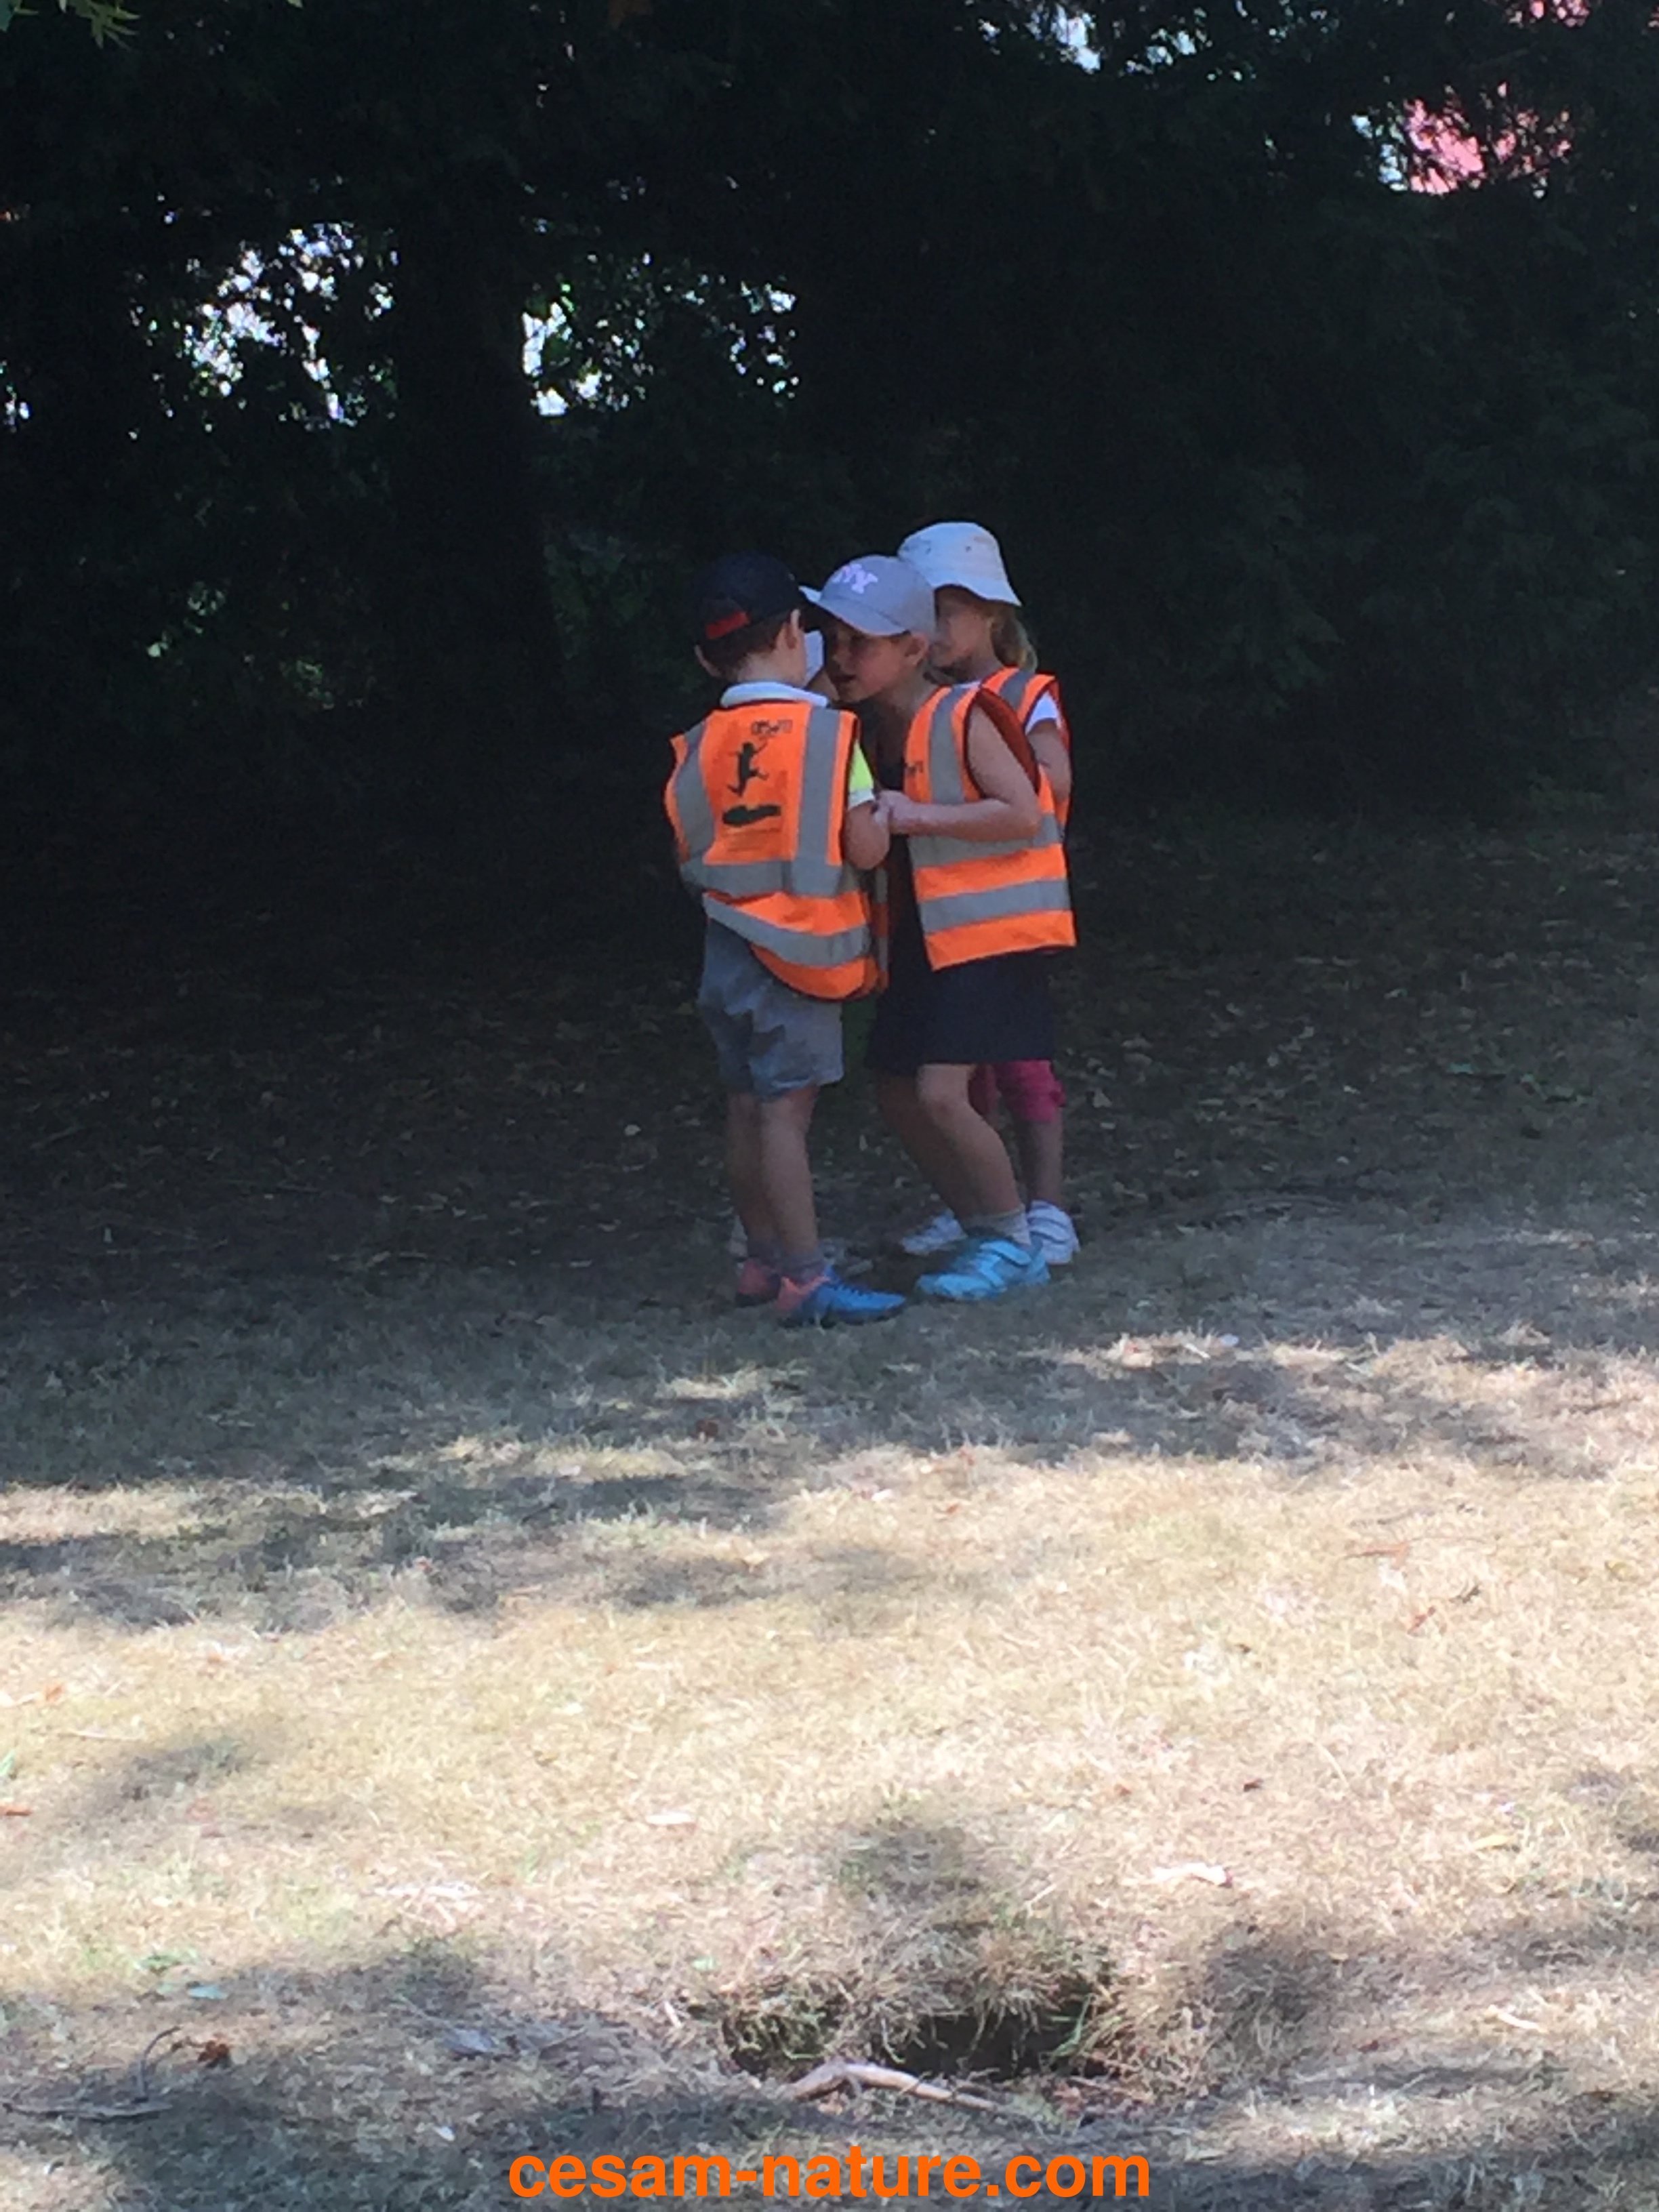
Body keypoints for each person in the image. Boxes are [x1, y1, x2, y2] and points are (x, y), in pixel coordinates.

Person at [811, 553, 1075, 1303]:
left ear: (912, 649)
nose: (841, 657)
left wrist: (915, 816)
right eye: (834, 639)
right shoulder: (863, 728)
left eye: (860, 642)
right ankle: (985, 1229)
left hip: (987, 937)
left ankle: (1012, 1244)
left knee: (938, 1094)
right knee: (897, 1091)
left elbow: (1024, 811)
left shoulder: (964, 713)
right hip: (921, 939)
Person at [665, 553, 905, 1328]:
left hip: (726, 950)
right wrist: (882, 818)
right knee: (785, 1116)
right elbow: (864, 846)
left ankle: (760, 1261)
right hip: (800, 956)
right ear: (797, 635)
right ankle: (807, 1279)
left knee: (745, 1105)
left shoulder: (697, 746)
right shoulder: (829, 737)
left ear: (708, 659)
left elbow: (691, 850)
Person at [888, 521, 1080, 1271]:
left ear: (993, 614)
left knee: (1024, 1068)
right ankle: (977, 1202)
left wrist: (987, 763)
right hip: (948, 914)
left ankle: (1047, 1210)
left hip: (1010, 912)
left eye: (946, 612)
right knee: (962, 1073)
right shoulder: (923, 703)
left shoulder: (1020, 695)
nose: (932, 631)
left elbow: (1052, 782)